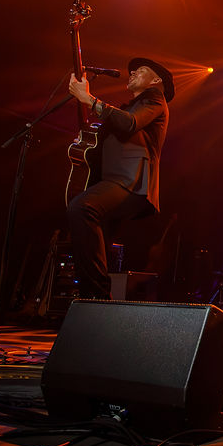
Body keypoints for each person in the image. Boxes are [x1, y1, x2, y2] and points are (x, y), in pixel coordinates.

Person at [66, 58, 174, 300]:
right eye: (132, 70)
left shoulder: (155, 98)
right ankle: (93, 301)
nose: (133, 72)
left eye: (141, 70)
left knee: (82, 208)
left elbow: (129, 124)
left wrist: (90, 100)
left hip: (131, 181)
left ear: (156, 80)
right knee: (97, 242)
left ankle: (97, 298)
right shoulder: (129, 106)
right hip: (115, 180)